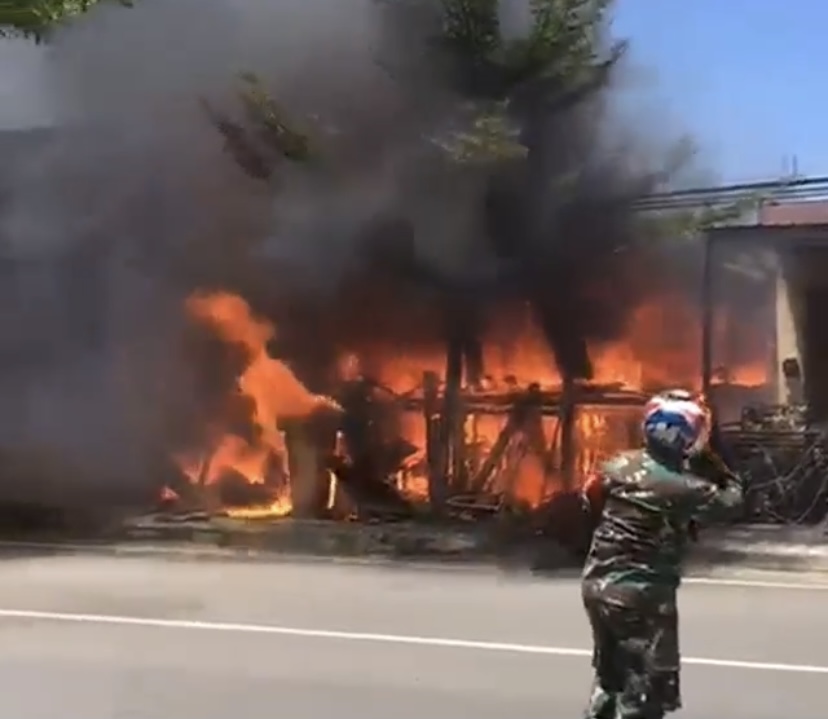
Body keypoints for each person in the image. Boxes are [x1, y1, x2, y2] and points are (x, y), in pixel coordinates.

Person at [580, 390, 743, 719]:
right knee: (644, 693)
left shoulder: (618, 464)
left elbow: (590, 496)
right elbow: (732, 501)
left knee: (610, 678)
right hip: (641, 596)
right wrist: (712, 459)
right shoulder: (683, 488)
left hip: (597, 586)